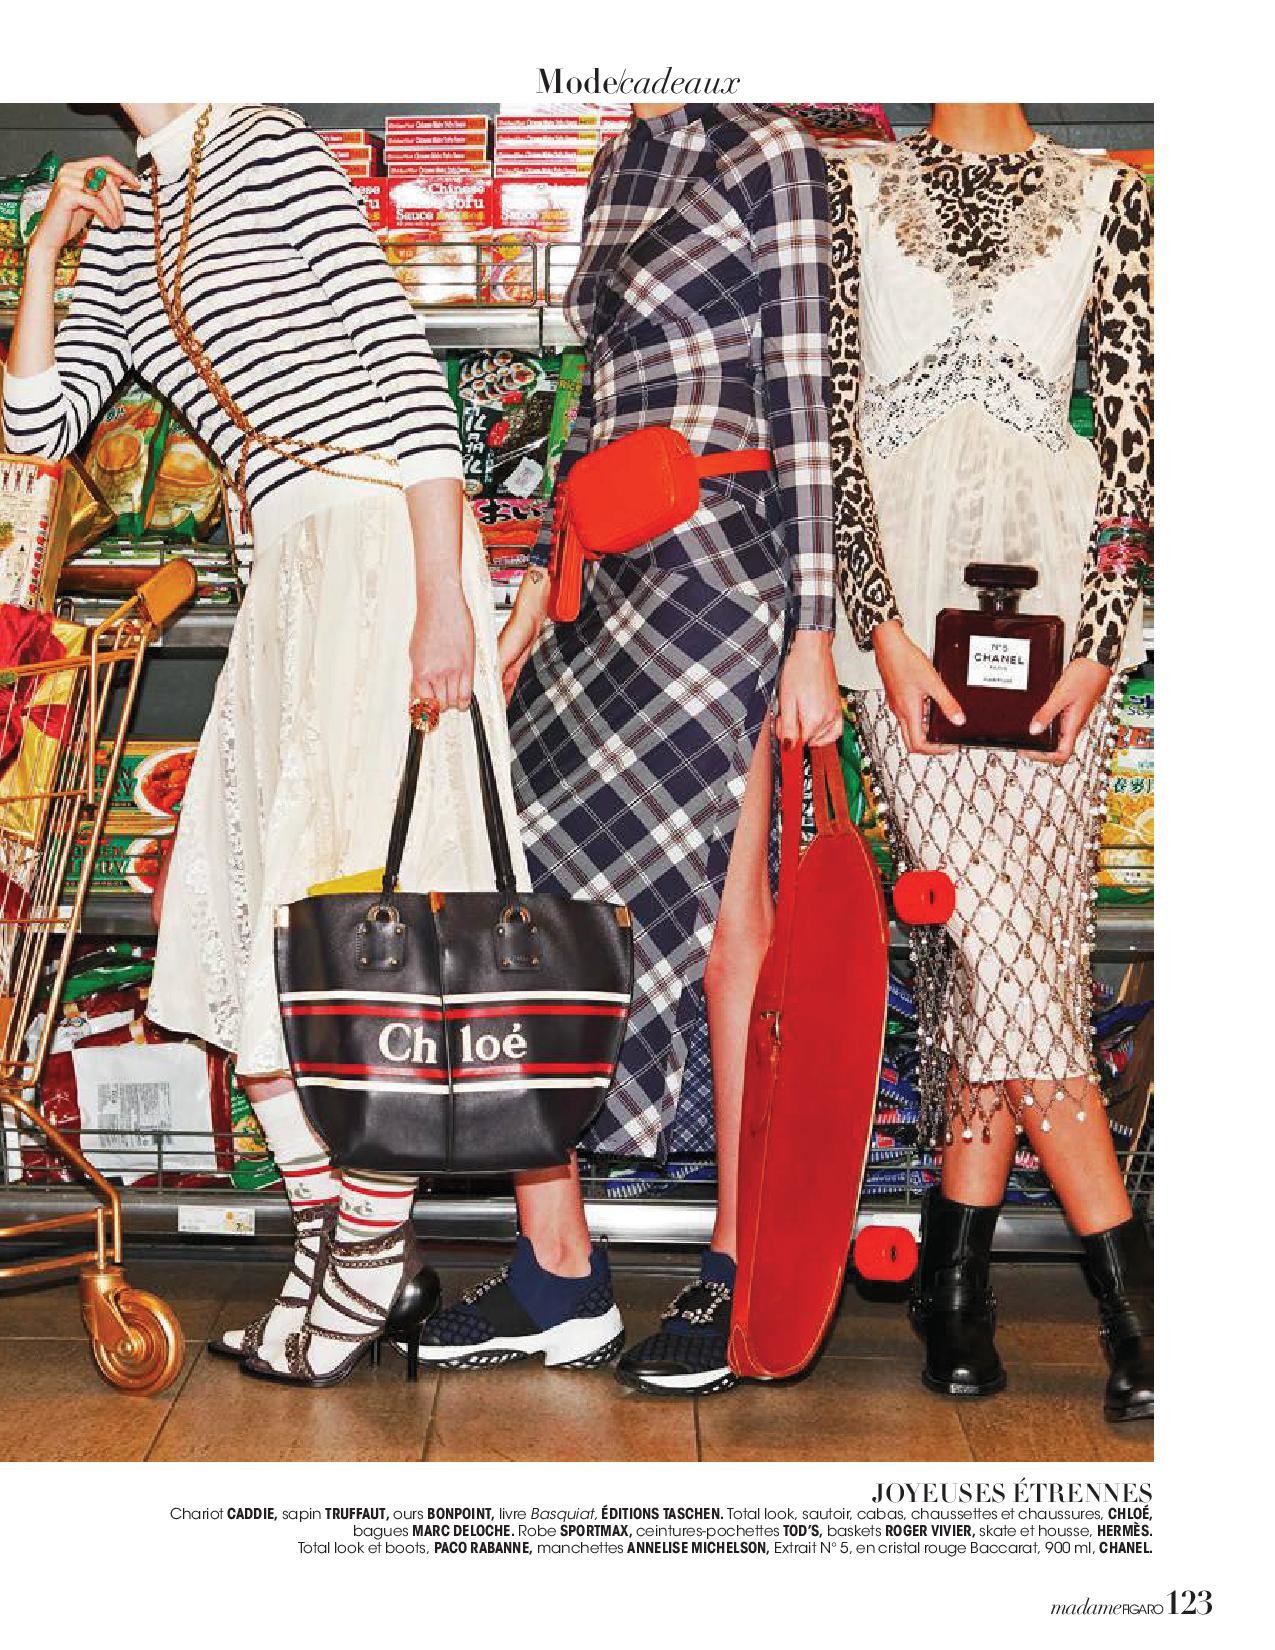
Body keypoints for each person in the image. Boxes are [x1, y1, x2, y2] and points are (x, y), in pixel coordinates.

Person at [2, 102, 528, 1387]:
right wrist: (47, 252)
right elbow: (36, 433)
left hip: (377, 543)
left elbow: (406, 374)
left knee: (364, 921)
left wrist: (443, 601)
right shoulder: (130, 217)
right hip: (283, 572)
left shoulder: (268, 139)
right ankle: (338, 1244)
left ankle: (363, 1259)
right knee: (243, 925)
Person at [416, 102, 842, 1395]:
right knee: (521, 893)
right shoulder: (616, 157)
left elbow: (808, 401)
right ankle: (559, 1265)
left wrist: (812, 631)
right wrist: (529, 604)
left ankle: (736, 1262)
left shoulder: (766, 148)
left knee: (729, 918)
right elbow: (588, 407)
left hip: (716, 568)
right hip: (600, 574)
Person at [826, 103, 1153, 1420]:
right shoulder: (850, 186)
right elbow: (827, 427)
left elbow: (1135, 432)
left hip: (1055, 626)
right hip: (908, 629)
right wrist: (875, 627)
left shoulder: (1109, 193)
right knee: (999, 946)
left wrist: (1102, 641)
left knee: (1005, 953)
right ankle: (1135, 1310)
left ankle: (952, 1288)